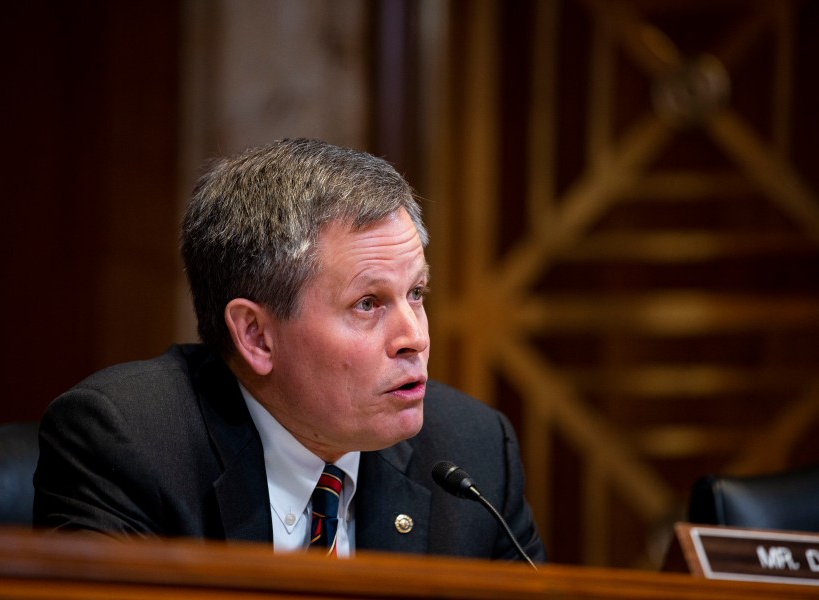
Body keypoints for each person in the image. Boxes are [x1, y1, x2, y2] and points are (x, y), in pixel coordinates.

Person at [33, 138, 545, 562]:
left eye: (416, 293)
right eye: (368, 303)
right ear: (256, 335)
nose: (415, 336)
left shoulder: (473, 453)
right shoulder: (129, 443)